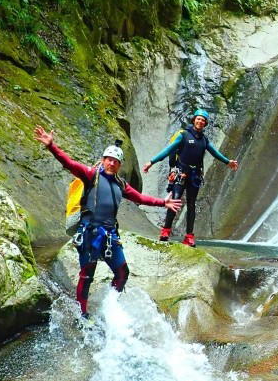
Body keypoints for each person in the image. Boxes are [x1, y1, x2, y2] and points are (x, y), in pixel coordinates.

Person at [34, 126, 182, 317]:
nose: (111, 163)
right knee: (87, 275)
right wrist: (51, 146)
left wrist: (163, 202)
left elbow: (140, 198)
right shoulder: (91, 175)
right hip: (90, 233)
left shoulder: (121, 184)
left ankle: (109, 307)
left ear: (119, 165)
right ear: (103, 160)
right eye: (108, 159)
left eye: (115, 161)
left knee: (122, 273)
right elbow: (69, 163)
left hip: (110, 235)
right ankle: (82, 314)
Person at [142, 109, 238, 247]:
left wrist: (228, 162)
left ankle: (189, 236)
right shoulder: (184, 135)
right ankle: (166, 231)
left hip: (194, 175)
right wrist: (151, 162)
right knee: (175, 200)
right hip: (180, 172)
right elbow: (168, 150)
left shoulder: (204, 140)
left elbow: (215, 153)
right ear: (194, 120)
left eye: (203, 120)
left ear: (205, 123)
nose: (200, 121)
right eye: (198, 119)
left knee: (191, 204)